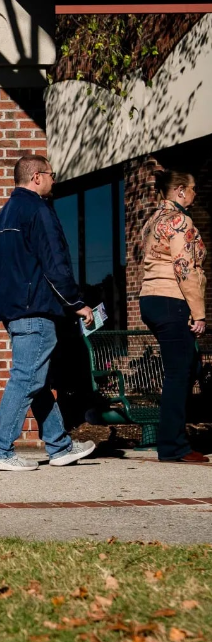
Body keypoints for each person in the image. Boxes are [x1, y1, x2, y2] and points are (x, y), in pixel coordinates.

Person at [0, 154, 96, 471]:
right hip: (35, 309)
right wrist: (76, 302)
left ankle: (59, 446)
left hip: (13, 309)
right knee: (27, 377)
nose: (54, 180)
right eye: (51, 175)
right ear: (37, 177)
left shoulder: (4, 215)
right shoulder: (38, 210)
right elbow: (54, 264)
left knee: (37, 377)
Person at [139, 169, 207, 463]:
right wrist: (199, 313)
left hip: (150, 299)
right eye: (192, 189)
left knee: (184, 367)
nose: (195, 194)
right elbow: (184, 267)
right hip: (171, 299)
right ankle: (173, 446)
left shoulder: (153, 220)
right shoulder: (180, 220)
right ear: (179, 191)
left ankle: (173, 440)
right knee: (179, 374)